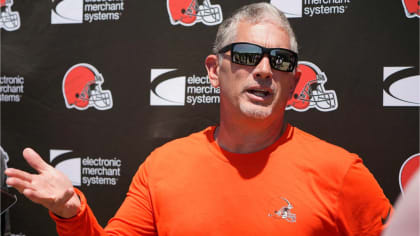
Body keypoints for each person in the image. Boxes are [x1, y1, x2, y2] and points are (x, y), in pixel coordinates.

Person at [5, 2, 392, 235]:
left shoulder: (341, 173)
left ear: (293, 79)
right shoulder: (164, 167)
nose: (263, 70)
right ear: (213, 70)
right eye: (244, 55)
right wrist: (72, 213)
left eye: (280, 61)